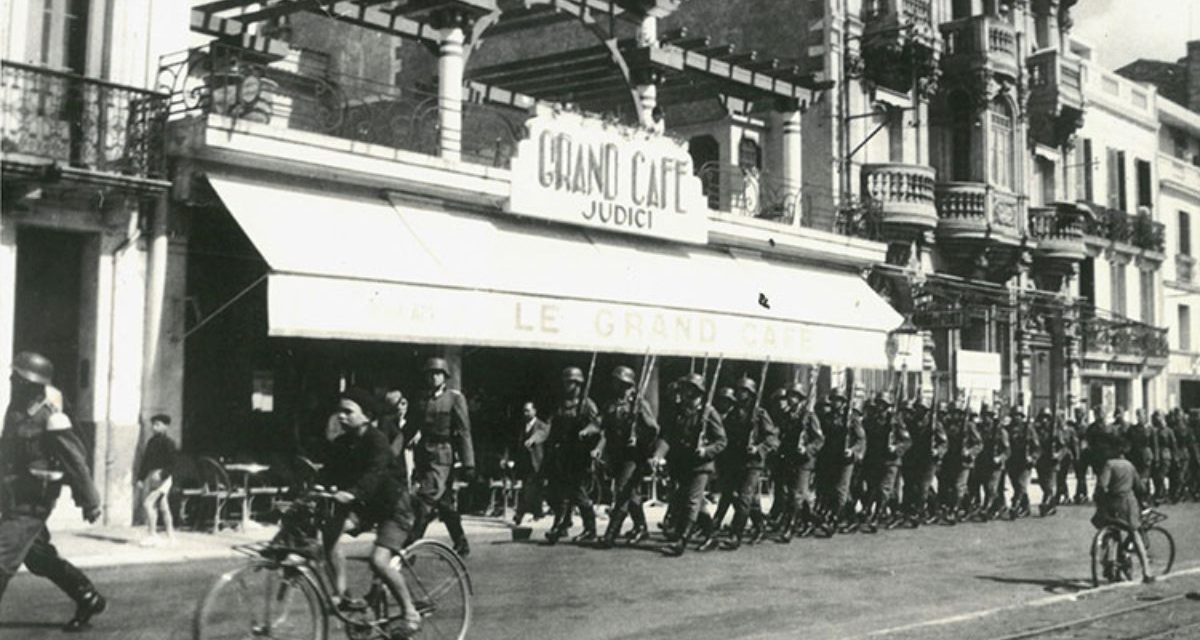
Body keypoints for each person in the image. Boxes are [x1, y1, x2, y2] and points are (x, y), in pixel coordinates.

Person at [0, 351, 106, 630]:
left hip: (32, 502)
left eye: (18, 377)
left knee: (1, 558)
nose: (12, 379)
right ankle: (88, 596)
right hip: (12, 498)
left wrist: (90, 502)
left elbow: (76, 462)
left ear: (33, 384)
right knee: (38, 558)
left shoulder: (52, 419)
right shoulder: (15, 411)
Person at [322, 388, 422, 634]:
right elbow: (329, 470)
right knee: (329, 531)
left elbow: (375, 474)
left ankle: (410, 611)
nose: (341, 416)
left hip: (394, 507)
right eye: (339, 411)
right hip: (368, 506)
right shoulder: (344, 443)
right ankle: (342, 593)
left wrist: (353, 493)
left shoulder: (376, 440)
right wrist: (312, 486)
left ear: (366, 415)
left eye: (348, 411)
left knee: (379, 561)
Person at [405, 357, 475, 557]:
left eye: (437, 374)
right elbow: (414, 425)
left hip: (443, 454)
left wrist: (468, 462)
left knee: (426, 499)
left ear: (445, 377)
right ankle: (461, 542)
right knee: (443, 503)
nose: (433, 377)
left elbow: (463, 431)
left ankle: (410, 546)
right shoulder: (423, 399)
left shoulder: (454, 398)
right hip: (424, 454)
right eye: (430, 374)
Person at [651, 373, 726, 557]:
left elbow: (721, 440)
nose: (685, 394)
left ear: (698, 392)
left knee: (692, 501)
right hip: (683, 463)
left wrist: (706, 450)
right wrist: (658, 455)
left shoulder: (708, 413)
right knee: (694, 501)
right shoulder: (678, 412)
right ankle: (711, 535)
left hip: (701, 465)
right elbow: (667, 437)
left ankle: (682, 541)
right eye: (684, 390)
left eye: (689, 390)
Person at [596, 366, 659, 549]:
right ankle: (641, 527)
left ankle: (610, 535)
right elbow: (603, 427)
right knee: (631, 494)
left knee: (622, 492)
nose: (617, 385)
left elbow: (653, 428)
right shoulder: (611, 404)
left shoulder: (638, 404)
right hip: (617, 454)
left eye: (620, 383)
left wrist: (638, 434)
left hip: (634, 456)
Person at [717, 376, 778, 550]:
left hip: (753, 463)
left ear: (751, 394)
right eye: (738, 391)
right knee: (744, 499)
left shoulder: (759, 414)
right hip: (737, 461)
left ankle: (735, 535)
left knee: (744, 497)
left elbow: (772, 438)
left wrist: (759, 448)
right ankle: (759, 525)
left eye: (744, 391)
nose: (740, 394)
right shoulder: (733, 413)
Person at [544, 366, 602, 544]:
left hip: (579, 455)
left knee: (578, 492)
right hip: (563, 454)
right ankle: (561, 525)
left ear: (577, 384)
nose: (565, 385)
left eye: (569, 382)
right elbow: (550, 425)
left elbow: (598, 425)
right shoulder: (560, 404)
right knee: (560, 491)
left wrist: (586, 431)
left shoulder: (587, 404)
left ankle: (590, 529)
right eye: (565, 382)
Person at [1091, 432, 1155, 584]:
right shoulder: (1129, 466)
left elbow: (1102, 486)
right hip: (1127, 504)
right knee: (1135, 533)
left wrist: (1100, 499)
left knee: (1112, 531)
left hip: (1111, 504)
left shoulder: (1109, 465)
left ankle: (1111, 566)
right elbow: (1139, 487)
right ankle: (1147, 571)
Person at [775, 383, 825, 542]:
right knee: (795, 494)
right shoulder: (787, 415)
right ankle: (818, 522)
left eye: (794, 396)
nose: (790, 399)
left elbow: (819, 439)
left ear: (800, 399)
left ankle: (790, 527)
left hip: (805, 462)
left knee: (796, 495)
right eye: (789, 396)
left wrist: (807, 449)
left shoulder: (809, 416)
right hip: (790, 459)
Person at [137, 413, 178, 546]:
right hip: (152, 477)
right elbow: (146, 462)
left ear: (165, 427)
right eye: (153, 425)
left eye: (158, 425)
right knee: (163, 507)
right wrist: (141, 478)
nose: (154, 427)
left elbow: (173, 464)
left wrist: (162, 475)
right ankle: (171, 536)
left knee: (148, 504)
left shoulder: (169, 443)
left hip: (164, 479)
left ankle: (152, 534)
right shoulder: (151, 442)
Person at [512, 401, 549, 527]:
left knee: (529, 489)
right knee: (529, 489)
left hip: (537, 462)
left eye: (528, 410)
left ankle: (520, 514)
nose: (525, 413)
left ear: (535, 411)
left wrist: (532, 440)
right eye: (524, 411)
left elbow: (542, 435)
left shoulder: (542, 426)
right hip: (524, 463)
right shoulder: (521, 426)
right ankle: (537, 513)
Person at [1006, 407, 1040, 518]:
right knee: (1017, 485)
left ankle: (1015, 506)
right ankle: (1025, 506)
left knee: (1021, 484)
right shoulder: (1008, 429)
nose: (1016, 418)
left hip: (1025, 462)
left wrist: (1032, 457)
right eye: (1014, 415)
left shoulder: (1028, 429)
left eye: (1019, 416)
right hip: (1012, 461)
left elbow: (1037, 447)